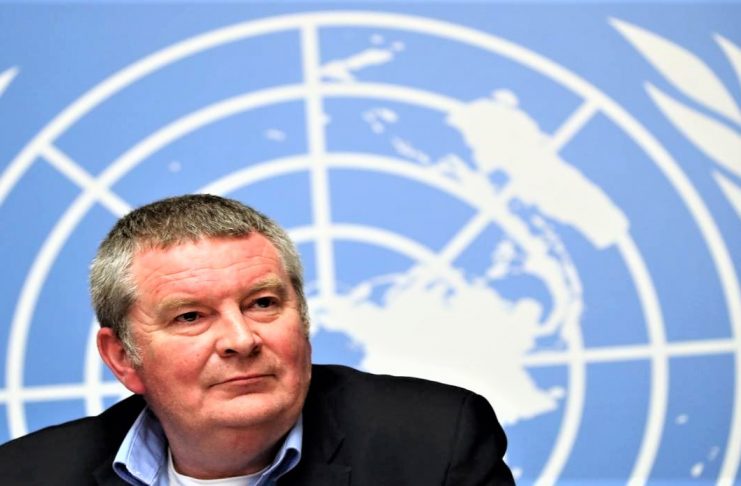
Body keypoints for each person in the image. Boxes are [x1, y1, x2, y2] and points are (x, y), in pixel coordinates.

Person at [0, 194, 515, 485]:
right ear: (123, 358)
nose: (241, 339)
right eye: (191, 316)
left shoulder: (433, 444)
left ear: (303, 317)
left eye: (263, 304)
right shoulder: (27, 476)